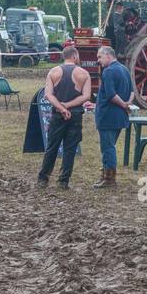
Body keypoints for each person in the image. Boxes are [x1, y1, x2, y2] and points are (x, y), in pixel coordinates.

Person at [36, 45, 92, 190]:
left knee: (52, 147)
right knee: (70, 149)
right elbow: (86, 96)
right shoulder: (84, 73)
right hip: (75, 115)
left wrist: (61, 108)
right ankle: (63, 181)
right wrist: (68, 105)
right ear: (74, 56)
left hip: (57, 115)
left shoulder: (53, 72)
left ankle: (43, 178)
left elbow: (48, 95)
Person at [92, 45, 134, 188]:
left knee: (107, 148)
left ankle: (109, 179)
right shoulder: (125, 69)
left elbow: (110, 95)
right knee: (109, 146)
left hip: (107, 116)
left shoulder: (108, 71)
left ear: (108, 56)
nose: (98, 60)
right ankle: (105, 175)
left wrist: (123, 104)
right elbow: (133, 92)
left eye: (99, 57)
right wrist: (128, 102)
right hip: (120, 117)